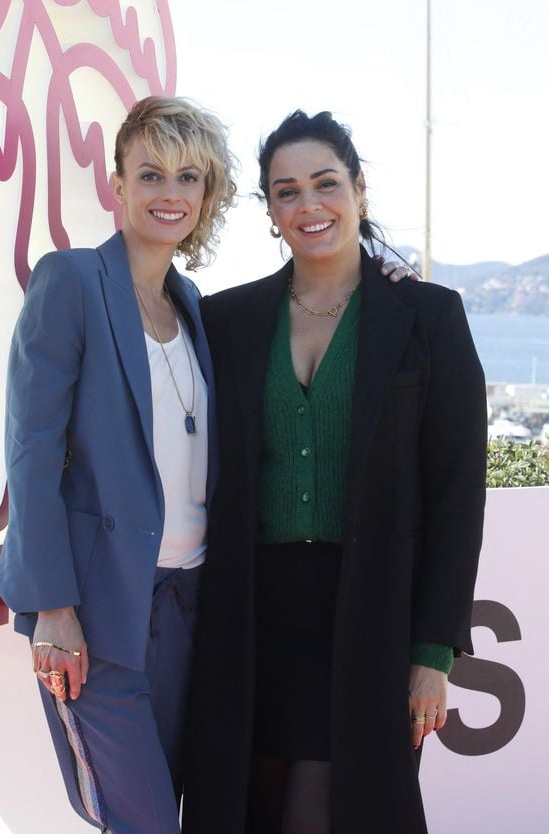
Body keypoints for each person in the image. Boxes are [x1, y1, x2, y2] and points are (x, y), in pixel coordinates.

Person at [182, 110, 488, 834]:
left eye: (325, 183)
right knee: (247, 808)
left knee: (325, 814)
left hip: (370, 619)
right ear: (269, 210)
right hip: (250, 619)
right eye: (286, 191)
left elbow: (456, 494)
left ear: (358, 190)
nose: (308, 204)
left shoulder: (426, 315)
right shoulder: (227, 320)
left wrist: (433, 653)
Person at [0, 95, 236, 834]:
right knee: (145, 823)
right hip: (98, 614)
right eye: (152, 173)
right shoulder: (71, 281)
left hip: (188, 604)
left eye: (189, 177)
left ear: (208, 193)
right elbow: (31, 449)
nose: (171, 194)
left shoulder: (191, 302)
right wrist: (53, 606)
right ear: (118, 185)